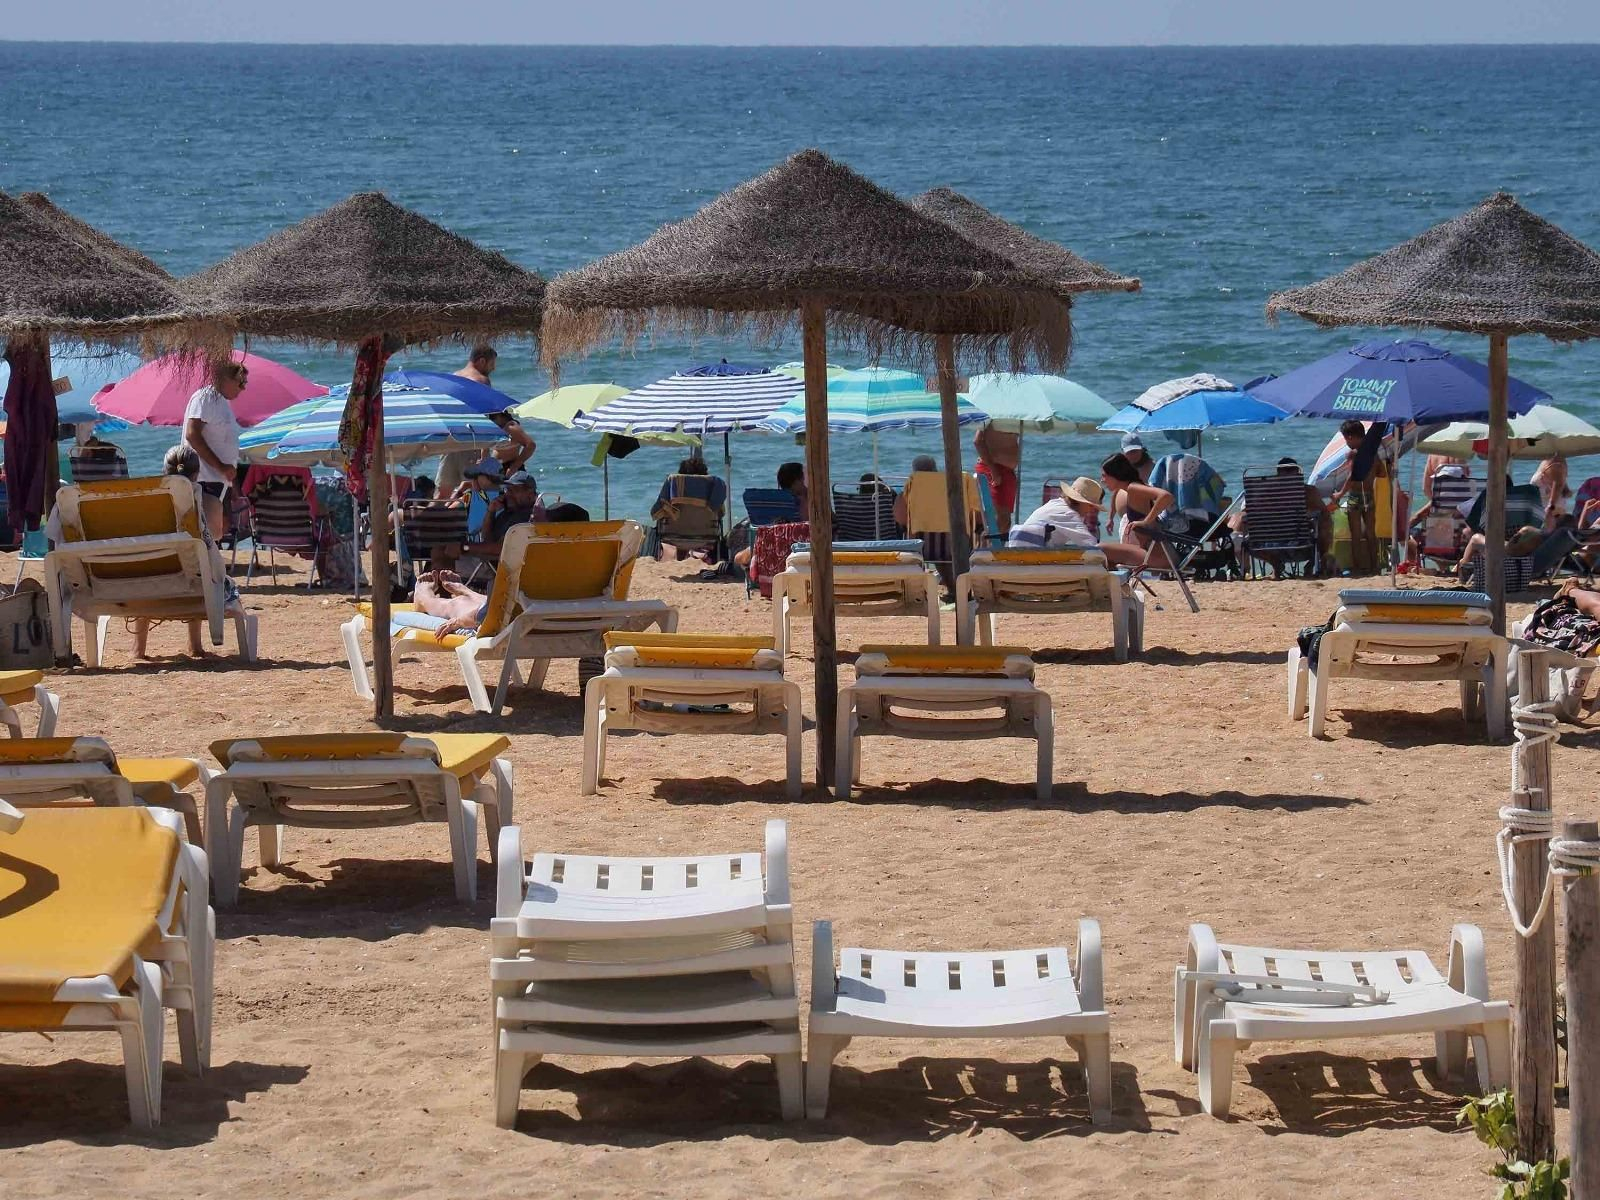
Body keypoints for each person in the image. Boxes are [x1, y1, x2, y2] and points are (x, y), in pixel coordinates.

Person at [412, 499, 590, 637]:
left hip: (524, 625)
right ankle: (469, 592)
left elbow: (487, 615)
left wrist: (458, 622)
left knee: (457, 604)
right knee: (488, 601)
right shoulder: (590, 561)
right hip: (577, 624)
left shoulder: (536, 558)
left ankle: (424, 597)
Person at [131, 444, 240, 659]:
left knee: (152, 562)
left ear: (165, 471)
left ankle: (138, 649)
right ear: (197, 473)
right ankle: (195, 646)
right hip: (193, 583)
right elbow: (216, 536)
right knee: (197, 560)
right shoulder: (207, 501)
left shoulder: (146, 503)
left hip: (145, 580)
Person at [183, 358, 248, 540]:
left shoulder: (221, 402)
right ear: (225, 379)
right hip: (204, 478)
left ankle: (212, 567)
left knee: (218, 531)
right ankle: (206, 568)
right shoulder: (205, 398)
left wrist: (231, 482)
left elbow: (223, 444)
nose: (243, 388)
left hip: (218, 479)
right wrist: (220, 467)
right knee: (207, 533)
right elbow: (192, 434)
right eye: (240, 382)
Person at [1327, 419, 1388, 575]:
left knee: (1355, 534)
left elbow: (1352, 476)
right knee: (1370, 533)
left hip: (1355, 496)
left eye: (1346, 439)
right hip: (1369, 496)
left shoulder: (1353, 454)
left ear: (1351, 437)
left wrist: (1340, 493)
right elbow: (1382, 473)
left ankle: (1357, 568)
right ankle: (1374, 567)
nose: (1347, 442)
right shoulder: (1373, 455)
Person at [1098, 452, 1178, 569]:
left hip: (1158, 556)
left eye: (1104, 476)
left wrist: (1145, 521)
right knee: (1105, 557)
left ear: (1116, 474)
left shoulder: (1133, 488)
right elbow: (1116, 493)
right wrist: (1110, 517)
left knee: (1099, 550)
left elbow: (1166, 496)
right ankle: (1117, 586)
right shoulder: (1130, 487)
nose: (1102, 480)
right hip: (1157, 553)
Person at [733, 462, 807, 573]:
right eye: (803, 479)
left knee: (738, 558)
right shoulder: (800, 501)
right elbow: (807, 522)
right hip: (792, 548)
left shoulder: (774, 501)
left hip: (765, 546)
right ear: (797, 481)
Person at [1007, 476, 1103, 549]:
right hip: (1036, 561)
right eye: (1091, 505)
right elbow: (1092, 546)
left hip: (1024, 555)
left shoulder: (1054, 503)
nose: (1091, 510)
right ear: (1079, 501)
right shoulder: (1068, 515)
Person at [974, 423, 1020, 535]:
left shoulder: (1014, 414)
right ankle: (990, 548)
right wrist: (993, 469)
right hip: (993, 468)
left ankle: (997, 549)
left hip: (1008, 471)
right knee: (999, 518)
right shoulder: (991, 413)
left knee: (1005, 520)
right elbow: (978, 441)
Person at [1531, 455, 1571, 528]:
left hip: (1554, 513)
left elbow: (1559, 485)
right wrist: (1551, 507)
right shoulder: (1538, 481)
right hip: (1543, 514)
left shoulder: (1558, 477)